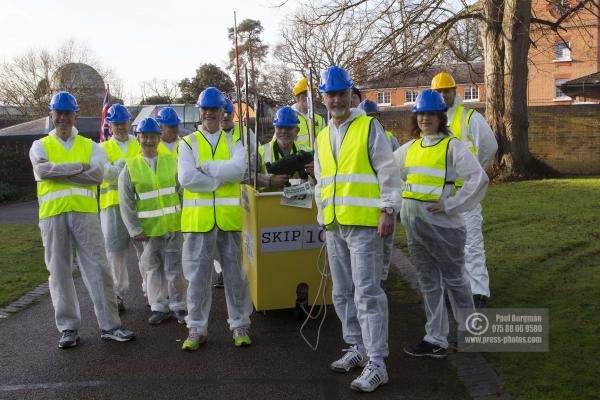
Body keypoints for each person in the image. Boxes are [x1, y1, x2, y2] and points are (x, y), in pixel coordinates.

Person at [314, 66, 401, 393]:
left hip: (365, 225)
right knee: (342, 291)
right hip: (336, 226)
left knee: (367, 292)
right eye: (330, 94)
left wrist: (387, 209)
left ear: (351, 95)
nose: (336, 99)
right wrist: (323, 220)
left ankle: (377, 362)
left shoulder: (368, 127)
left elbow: (388, 171)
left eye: (341, 93)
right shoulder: (323, 136)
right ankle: (357, 347)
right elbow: (322, 183)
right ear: (322, 97)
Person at [29, 91, 136, 348]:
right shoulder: (40, 146)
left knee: (99, 269)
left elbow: (98, 176)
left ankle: (110, 326)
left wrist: (59, 171)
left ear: (75, 115)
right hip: (53, 217)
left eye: (68, 113)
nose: (63, 117)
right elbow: (42, 171)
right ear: (51, 114)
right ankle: (68, 329)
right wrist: (80, 167)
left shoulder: (91, 146)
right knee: (59, 273)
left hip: (86, 215)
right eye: (59, 112)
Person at [394, 89, 488, 358]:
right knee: (429, 283)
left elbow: (478, 179)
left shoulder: (452, 146)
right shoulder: (410, 148)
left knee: (456, 280)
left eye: (431, 114)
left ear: (440, 116)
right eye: (421, 113)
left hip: (445, 228)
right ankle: (435, 338)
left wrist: (451, 204)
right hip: (416, 228)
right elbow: (387, 170)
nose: (425, 118)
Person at [178, 87, 253, 350]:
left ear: (224, 112)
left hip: (229, 220)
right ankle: (196, 328)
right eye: (205, 109)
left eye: (215, 109)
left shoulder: (235, 141)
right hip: (198, 222)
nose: (210, 113)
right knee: (197, 278)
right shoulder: (187, 143)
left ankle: (239, 323)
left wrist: (207, 170)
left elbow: (238, 171)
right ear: (200, 111)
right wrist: (220, 179)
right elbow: (187, 178)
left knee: (236, 276)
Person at [431, 72, 498, 308]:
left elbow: (489, 147)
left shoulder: (470, 118)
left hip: (465, 197)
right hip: (441, 199)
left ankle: (479, 292)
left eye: (446, 91)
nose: (442, 96)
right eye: (437, 92)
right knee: (448, 247)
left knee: (471, 244)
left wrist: (474, 175)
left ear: (454, 91)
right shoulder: (431, 122)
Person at [118, 117, 188, 325]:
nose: (148, 140)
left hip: (174, 225)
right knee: (153, 269)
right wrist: (134, 229)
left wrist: (185, 218)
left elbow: (182, 192)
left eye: (153, 136)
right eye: (144, 136)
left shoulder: (171, 161)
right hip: (149, 230)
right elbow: (126, 202)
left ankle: (179, 306)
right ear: (138, 138)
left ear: (159, 138)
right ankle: (158, 306)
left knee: (175, 268)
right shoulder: (130, 168)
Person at [99, 104, 143, 312]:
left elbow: (145, 171)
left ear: (129, 123)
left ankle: (152, 294)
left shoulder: (140, 143)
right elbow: (104, 174)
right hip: (113, 207)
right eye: (116, 124)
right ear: (110, 125)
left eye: (124, 122)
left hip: (140, 205)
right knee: (115, 253)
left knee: (146, 252)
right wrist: (130, 168)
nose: (121, 127)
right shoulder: (102, 148)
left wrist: (118, 166)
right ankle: (117, 295)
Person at [357, 99, 401, 288]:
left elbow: (396, 168)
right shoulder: (356, 138)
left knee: (385, 244)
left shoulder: (389, 137)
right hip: (364, 202)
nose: (369, 120)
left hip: (384, 200)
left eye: (372, 116)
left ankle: (382, 278)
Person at [257, 106, 313, 189]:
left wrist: (315, 174)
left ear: (297, 131)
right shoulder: (260, 152)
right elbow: (248, 178)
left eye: (288, 128)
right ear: (274, 129)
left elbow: (319, 181)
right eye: (280, 127)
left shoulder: (307, 152)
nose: (283, 131)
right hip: (269, 201)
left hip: (299, 201)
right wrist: (269, 181)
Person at [291, 77, 326, 147]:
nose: (315, 99)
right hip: (296, 158)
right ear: (302, 98)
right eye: (313, 96)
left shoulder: (320, 120)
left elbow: (324, 143)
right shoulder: (287, 117)